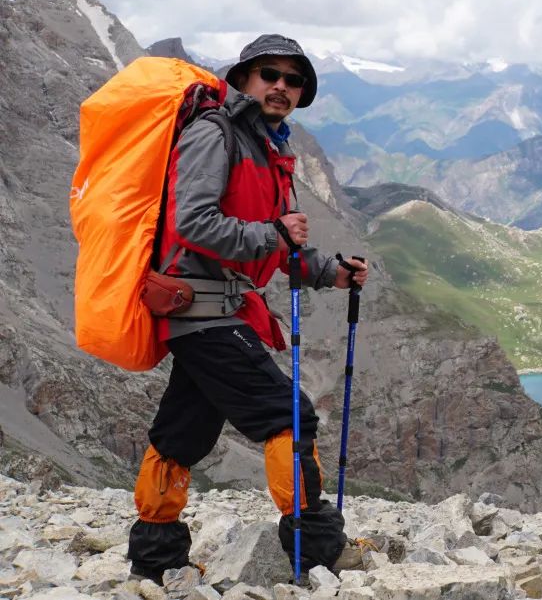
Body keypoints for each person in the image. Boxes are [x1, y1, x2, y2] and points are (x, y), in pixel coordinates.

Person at [128, 34, 369, 582]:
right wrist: (273, 235)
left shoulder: (266, 147)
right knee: (289, 414)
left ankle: (155, 559)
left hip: (220, 311)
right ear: (242, 80)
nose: (282, 86)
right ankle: (318, 549)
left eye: (293, 79)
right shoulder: (215, 134)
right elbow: (193, 222)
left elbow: (279, 244)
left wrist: (332, 271)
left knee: (182, 430)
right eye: (270, 74)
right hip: (203, 310)